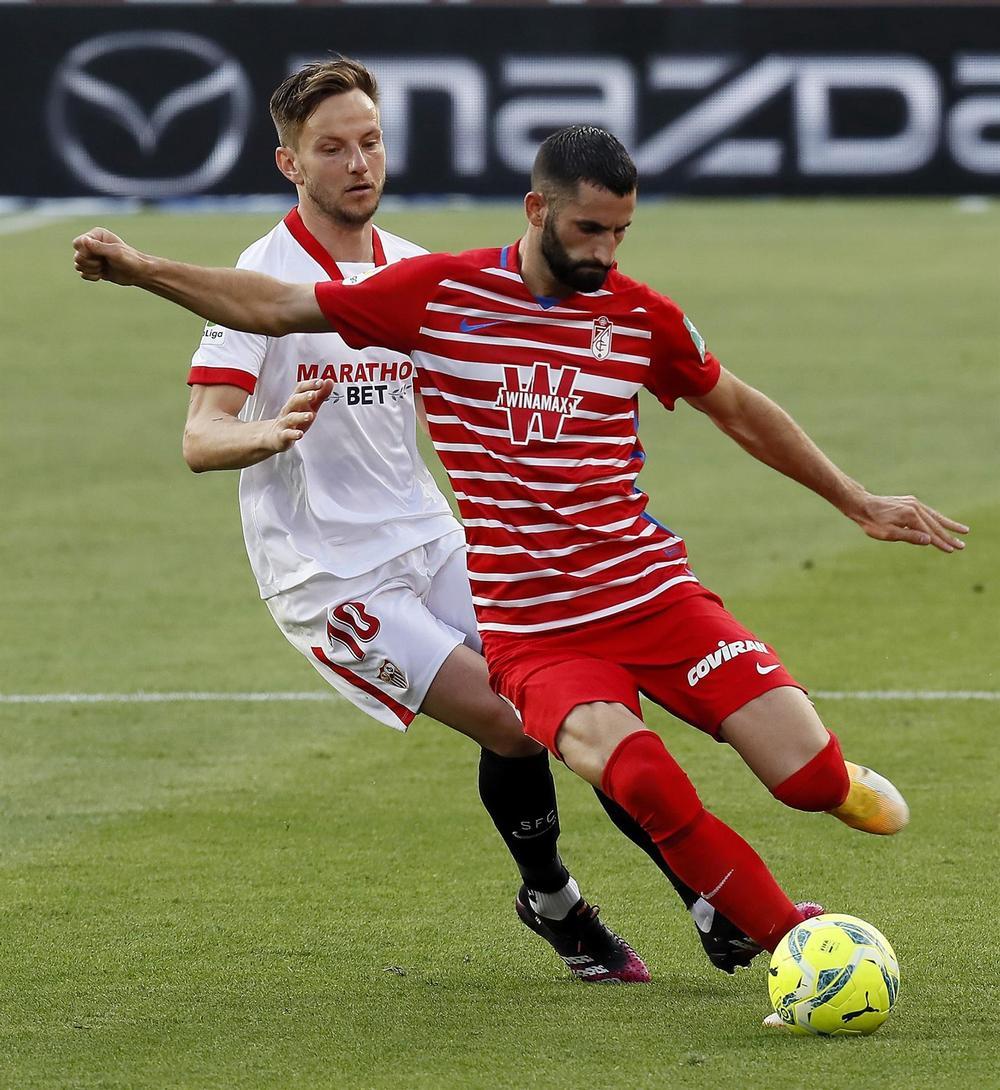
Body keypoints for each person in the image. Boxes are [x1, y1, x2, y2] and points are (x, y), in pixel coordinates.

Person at [74, 123, 965, 996]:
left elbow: (736, 406)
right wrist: (142, 268)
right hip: (533, 629)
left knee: (806, 780)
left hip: (652, 593)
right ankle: (789, 943)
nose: (606, 251)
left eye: (621, 231)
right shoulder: (437, 292)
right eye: (589, 230)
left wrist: (858, 499)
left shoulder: (638, 312)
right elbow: (270, 307)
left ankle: (824, 783)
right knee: (636, 773)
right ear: (537, 211)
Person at [127, 59, 757, 986]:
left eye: (369, 141)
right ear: (288, 164)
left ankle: (707, 899)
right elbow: (199, 438)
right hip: (331, 578)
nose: (357, 162)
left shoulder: (417, 272)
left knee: (590, 698)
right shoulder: (260, 282)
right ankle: (555, 902)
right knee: (515, 721)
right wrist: (269, 431)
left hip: (433, 541)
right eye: (331, 148)